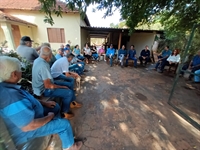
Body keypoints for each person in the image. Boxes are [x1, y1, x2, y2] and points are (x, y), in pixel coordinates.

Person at [0, 56, 83, 150]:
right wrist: (49, 117)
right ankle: (71, 147)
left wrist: (44, 103)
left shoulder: (8, 87)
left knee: (55, 107)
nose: (21, 72)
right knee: (65, 124)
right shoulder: (10, 96)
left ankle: (55, 128)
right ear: (14, 74)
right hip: (29, 131)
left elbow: (29, 99)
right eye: (20, 70)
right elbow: (28, 126)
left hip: (34, 113)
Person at [32, 46, 81, 119]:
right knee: (68, 92)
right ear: (49, 55)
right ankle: (64, 113)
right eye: (51, 55)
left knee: (68, 85)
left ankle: (72, 102)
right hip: (43, 90)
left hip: (42, 86)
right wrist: (62, 87)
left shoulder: (37, 60)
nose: (51, 57)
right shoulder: (44, 65)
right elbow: (48, 86)